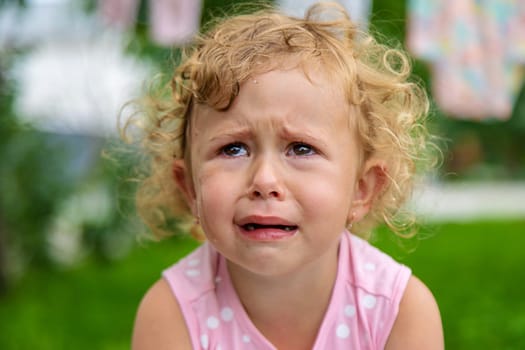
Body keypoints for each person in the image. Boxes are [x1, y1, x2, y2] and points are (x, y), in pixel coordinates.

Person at [129, 2, 444, 349]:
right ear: (190, 187)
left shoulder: (398, 311)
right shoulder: (173, 312)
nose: (264, 180)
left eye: (301, 148)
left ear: (361, 189)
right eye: (233, 149)